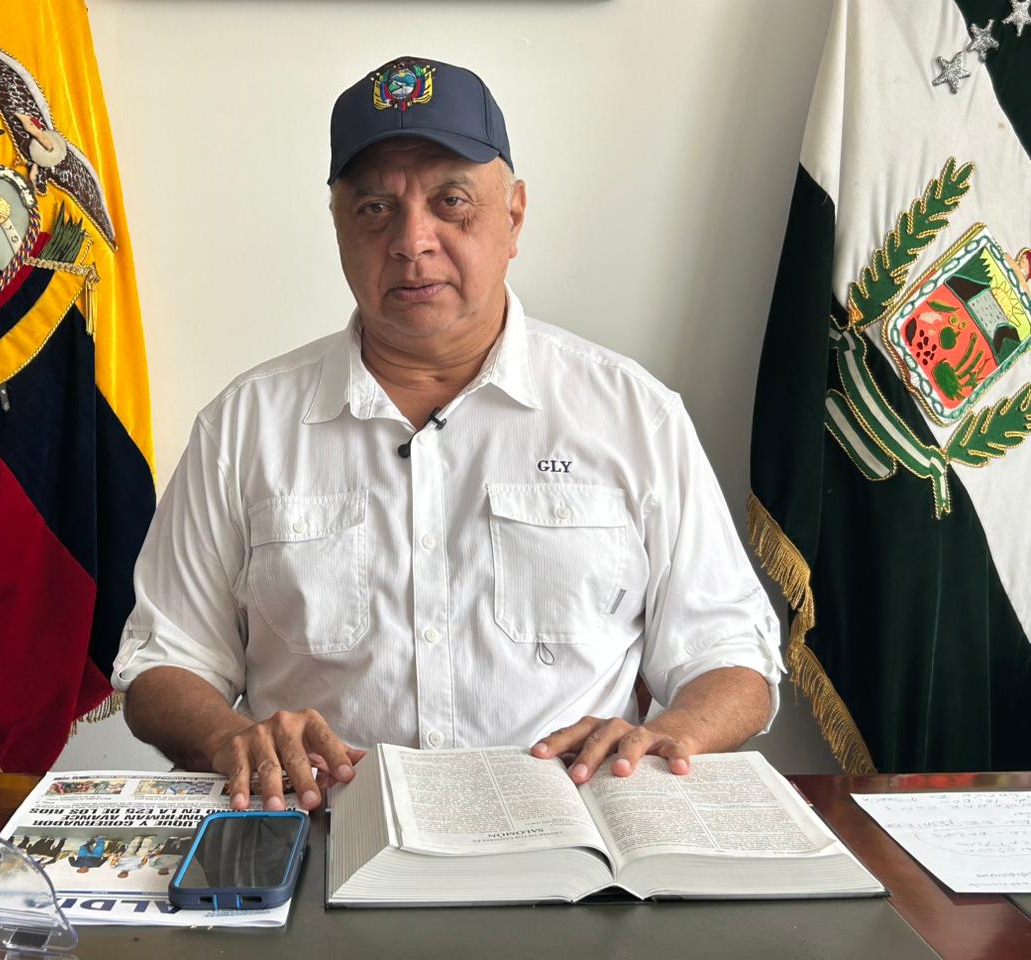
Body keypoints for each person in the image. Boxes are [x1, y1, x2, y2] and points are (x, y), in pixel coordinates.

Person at [114, 57, 782, 815]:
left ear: (514, 217)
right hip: (320, 836)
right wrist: (231, 737)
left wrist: (674, 732)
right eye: (375, 208)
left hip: (571, 835)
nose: (412, 241)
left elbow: (730, 652)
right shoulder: (244, 428)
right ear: (338, 227)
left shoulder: (633, 416)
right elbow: (165, 661)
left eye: (451, 201)